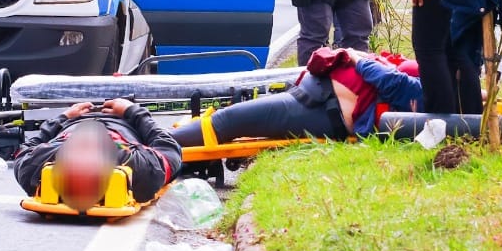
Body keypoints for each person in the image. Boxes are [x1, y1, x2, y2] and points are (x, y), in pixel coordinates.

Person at [169, 49, 422, 146]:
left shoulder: (440, 92)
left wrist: (357, 58)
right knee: (230, 114)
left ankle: (148, 148)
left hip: (322, 108)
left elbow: (393, 84)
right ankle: (148, 140)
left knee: (227, 122)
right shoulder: (440, 73)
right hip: (314, 91)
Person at [11, 99, 182, 211]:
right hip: (122, 122)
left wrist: (63, 117)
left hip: (75, 124)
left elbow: (25, 149)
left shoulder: (36, 164)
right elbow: (169, 149)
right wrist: (133, 112)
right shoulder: (133, 162)